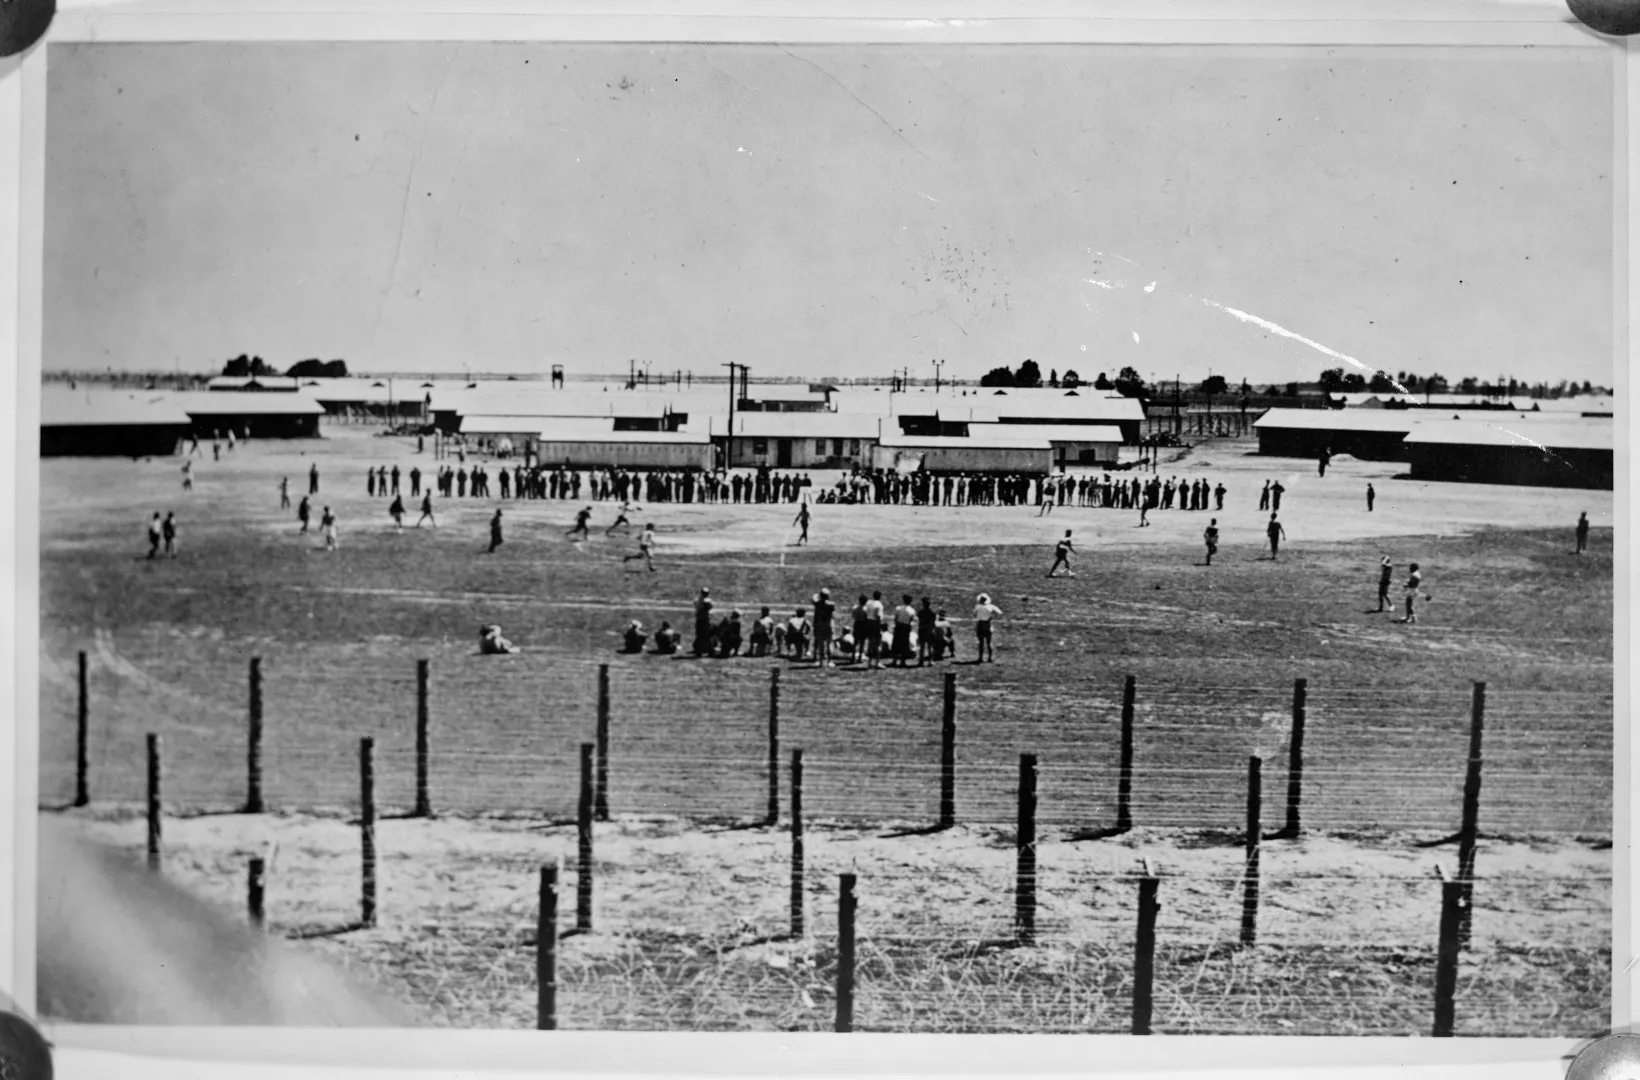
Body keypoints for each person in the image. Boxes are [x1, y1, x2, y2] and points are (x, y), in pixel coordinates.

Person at [973, 593, 1001, 663]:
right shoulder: (991, 606)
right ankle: (990, 658)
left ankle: (980, 658)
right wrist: (992, 616)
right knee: (989, 642)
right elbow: (1000, 612)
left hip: (980, 625)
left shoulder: (978, 606)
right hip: (988, 624)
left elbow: (974, 614)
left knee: (981, 642)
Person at [891, 594, 917, 668]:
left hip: (899, 626)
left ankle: (894, 660)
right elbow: (911, 620)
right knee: (904, 644)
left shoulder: (898, 608)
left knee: (896, 643)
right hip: (906, 627)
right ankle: (902, 661)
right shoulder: (912, 610)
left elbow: (895, 618)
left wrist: (897, 624)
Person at [812, 588, 836, 667]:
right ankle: (830, 661)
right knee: (829, 643)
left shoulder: (817, 603)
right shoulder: (831, 604)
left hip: (820, 624)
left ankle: (821, 661)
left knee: (821, 643)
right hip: (829, 624)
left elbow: (813, 599)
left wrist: (817, 595)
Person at [863, 592, 886, 669]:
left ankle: (869, 662)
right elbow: (878, 616)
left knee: (870, 643)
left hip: (869, 623)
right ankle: (877, 662)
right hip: (875, 624)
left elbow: (866, 613)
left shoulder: (869, 603)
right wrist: (880, 626)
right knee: (878, 644)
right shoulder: (879, 605)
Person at [693, 588, 715, 656]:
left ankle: (700, 650)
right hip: (704, 622)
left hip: (701, 622)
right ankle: (708, 650)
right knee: (707, 636)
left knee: (701, 637)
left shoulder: (698, 601)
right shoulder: (708, 602)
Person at [916, 598, 937, 666]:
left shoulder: (920, 612)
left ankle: (921, 661)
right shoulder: (932, 613)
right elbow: (933, 623)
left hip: (922, 630)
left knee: (921, 647)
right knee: (929, 647)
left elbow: (920, 621)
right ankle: (930, 661)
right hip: (929, 631)